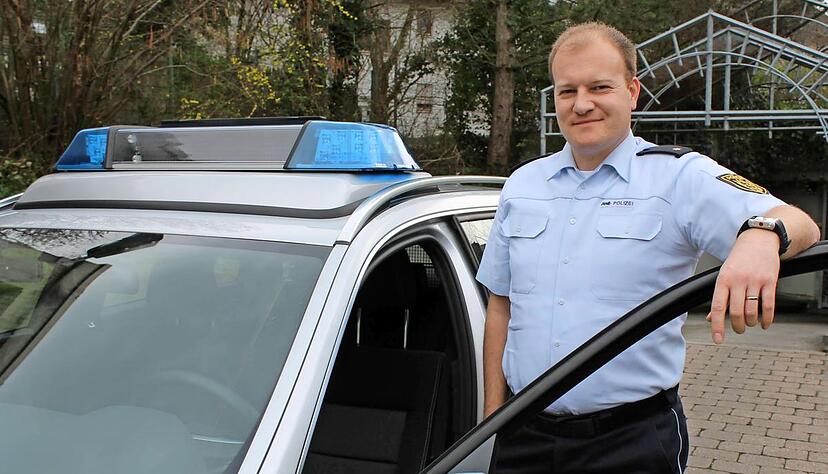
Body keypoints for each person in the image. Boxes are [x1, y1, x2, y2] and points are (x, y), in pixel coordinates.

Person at [475, 22, 820, 474]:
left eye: (600, 87)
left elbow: (802, 223)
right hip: (523, 434)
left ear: (632, 91)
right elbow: (500, 305)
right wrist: (491, 420)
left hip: (631, 441)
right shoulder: (523, 184)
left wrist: (760, 234)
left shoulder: (678, 176)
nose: (582, 104)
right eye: (567, 91)